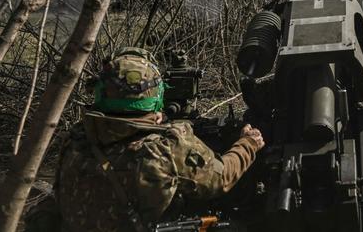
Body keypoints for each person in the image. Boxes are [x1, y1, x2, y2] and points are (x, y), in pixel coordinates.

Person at [53, 47, 264, 232]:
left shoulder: (75, 140)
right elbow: (221, 178)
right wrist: (248, 144)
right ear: (156, 96)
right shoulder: (165, 148)